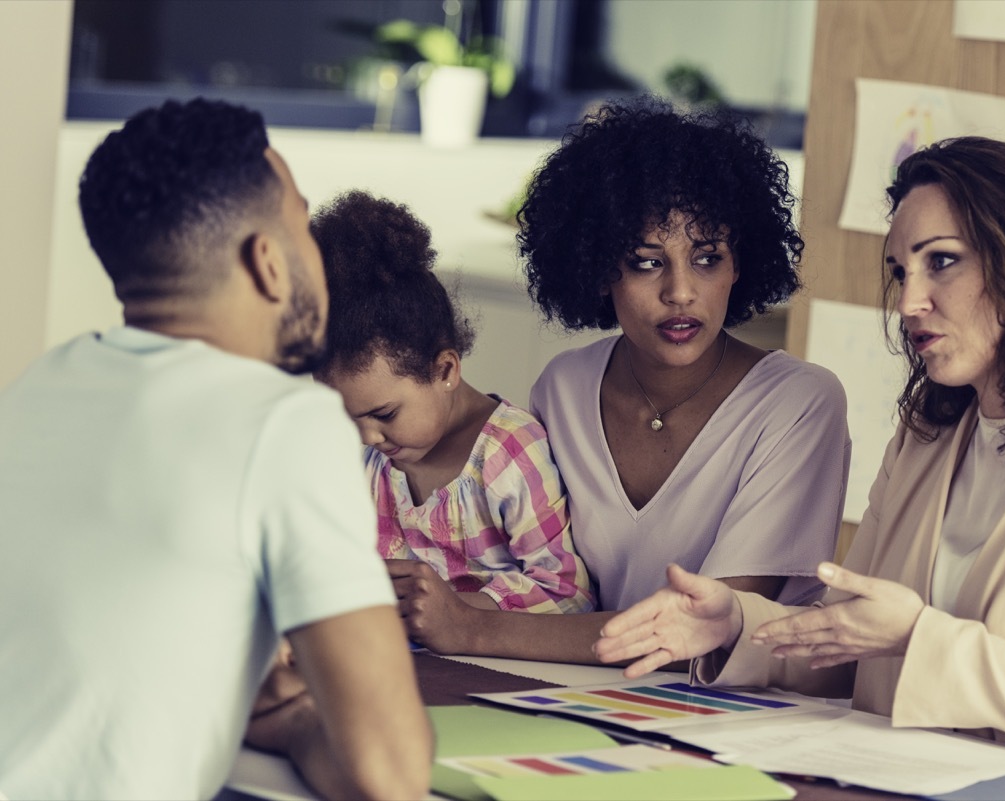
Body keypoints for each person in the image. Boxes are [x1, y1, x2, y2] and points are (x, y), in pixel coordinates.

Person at [595, 136, 1005, 781]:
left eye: (942, 261)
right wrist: (734, 625)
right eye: (901, 271)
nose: (911, 302)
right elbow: (849, 642)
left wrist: (919, 638)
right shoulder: (928, 437)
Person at [0, 98, 431, 799]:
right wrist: (294, 721)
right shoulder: (285, 422)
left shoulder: (35, 389)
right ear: (268, 262)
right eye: (302, 224)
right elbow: (389, 773)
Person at [392, 98, 849, 662]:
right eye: (646, 262)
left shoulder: (799, 404)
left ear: (740, 264)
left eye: (707, 258)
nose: (680, 292)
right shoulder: (563, 389)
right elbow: (541, 583)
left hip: (739, 703)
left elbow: (699, 632)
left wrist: (472, 628)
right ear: (596, 267)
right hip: (576, 691)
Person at [308, 189, 594, 648]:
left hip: (500, 667)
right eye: (349, 419)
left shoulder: (508, 453)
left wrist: (456, 613)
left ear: (444, 370)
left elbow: (568, 596)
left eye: (384, 414)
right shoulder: (373, 461)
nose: (368, 437)